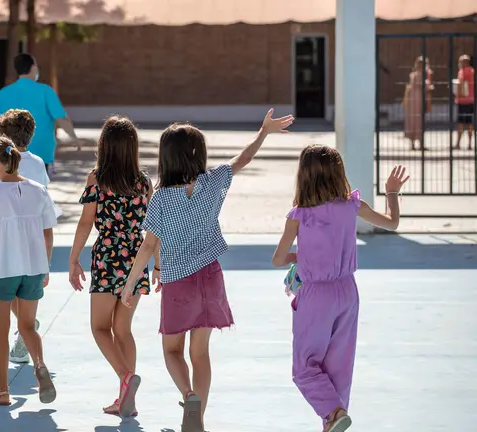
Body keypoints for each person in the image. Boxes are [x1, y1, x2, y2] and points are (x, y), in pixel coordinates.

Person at [120, 110, 294, 432]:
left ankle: (188, 396)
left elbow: (147, 246)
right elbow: (242, 160)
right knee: (200, 353)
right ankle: (197, 418)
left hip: (178, 283)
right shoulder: (212, 183)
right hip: (211, 276)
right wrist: (264, 132)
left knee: (172, 350)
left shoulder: (160, 199)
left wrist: (131, 284)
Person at [271, 147, 409, 432]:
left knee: (305, 369)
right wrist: (391, 192)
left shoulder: (298, 215)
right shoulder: (353, 206)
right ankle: (333, 421)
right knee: (339, 368)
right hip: (347, 292)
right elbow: (392, 222)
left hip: (315, 295)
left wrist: (301, 256)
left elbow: (278, 259)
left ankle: (333, 413)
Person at [68, 116, 155, 417]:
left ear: (104, 146)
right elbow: (154, 226)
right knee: (122, 329)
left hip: (107, 257)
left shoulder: (97, 179)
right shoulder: (144, 182)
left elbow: (85, 222)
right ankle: (126, 399)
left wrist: (73, 258)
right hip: (136, 255)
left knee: (99, 327)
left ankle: (125, 377)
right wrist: (157, 265)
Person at [0, 136, 57, 406]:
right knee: (27, 325)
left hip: (3, 268)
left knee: (1, 327)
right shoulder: (38, 190)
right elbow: (48, 233)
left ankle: (2, 390)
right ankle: (40, 365)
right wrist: (45, 266)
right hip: (34, 267)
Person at [0, 108, 48, 363]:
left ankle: (23, 327)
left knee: (8, 291)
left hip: (6, 236)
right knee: (25, 289)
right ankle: (25, 327)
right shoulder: (37, 163)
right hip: (33, 236)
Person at [0, 53, 81, 176]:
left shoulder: (3, 93)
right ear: (33, 68)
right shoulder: (46, 91)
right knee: (39, 190)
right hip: (42, 154)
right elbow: (61, 118)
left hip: (9, 154)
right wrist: (74, 138)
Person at [402, 56, 433, 151]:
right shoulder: (416, 75)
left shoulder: (423, 74)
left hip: (420, 100)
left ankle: (419, 143)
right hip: (416, 100)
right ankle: (414, 144)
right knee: (415, 121)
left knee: (420, 122)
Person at [455, 54, 475, 150]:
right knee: (469, 123)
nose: (459, 63)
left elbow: (461, 83)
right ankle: (470, 144)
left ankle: (458, 143)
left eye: (460, 61)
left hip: (462, 100)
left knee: (460, 123)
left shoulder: (463, 71)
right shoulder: (472, 71)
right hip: (471, 100)